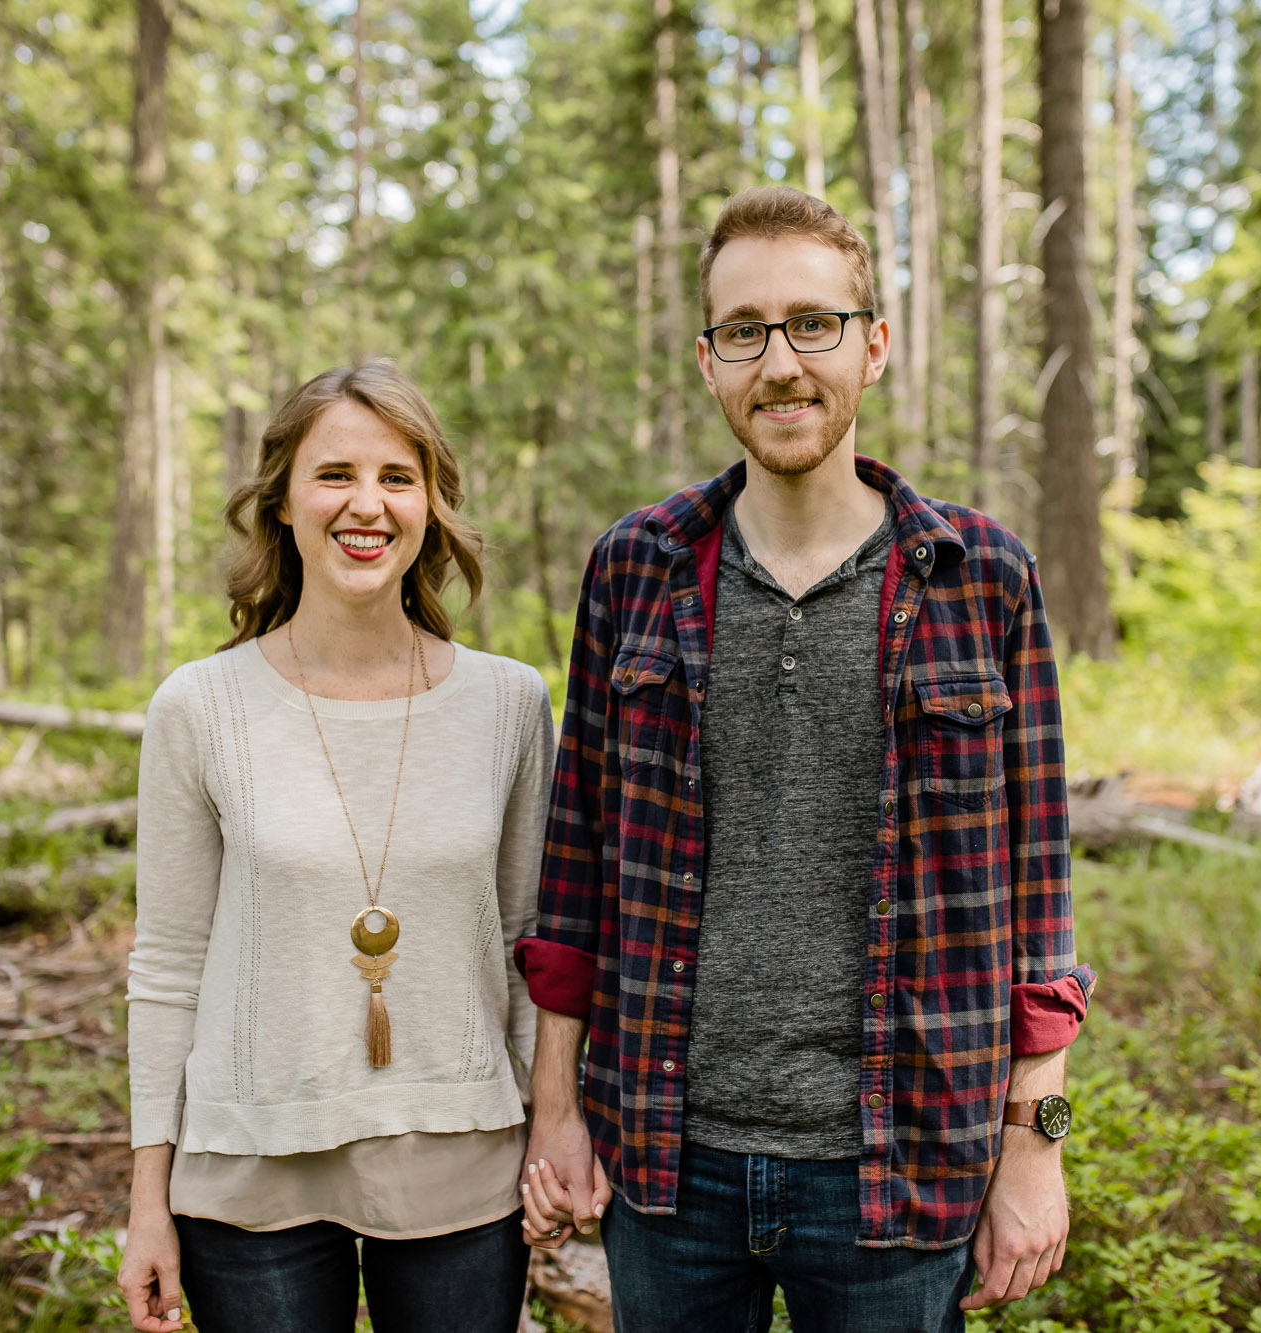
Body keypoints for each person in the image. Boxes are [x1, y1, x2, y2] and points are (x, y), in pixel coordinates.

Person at [513, 187, 1097, 1332]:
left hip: (900, 1162)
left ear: (872, 345)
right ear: (707, 359)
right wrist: (554, 1109)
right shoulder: (635, 565)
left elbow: (1041, 895)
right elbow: (573, 871)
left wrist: (1035, 1150)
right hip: (667, 1157)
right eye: (745, 330)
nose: (780, 362)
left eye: (812, 323)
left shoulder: (981, 574)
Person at [117, 361, 554, 1333]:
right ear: (280, 502)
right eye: (334, 475)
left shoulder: (508, 704)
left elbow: (530, 946)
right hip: (250, 1168)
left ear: (431, 505)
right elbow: (167, 965)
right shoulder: (202, 705)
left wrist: (549, 1133)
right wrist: (149, 1200)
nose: (367, 506)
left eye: (398, 477)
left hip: (462, 1166)